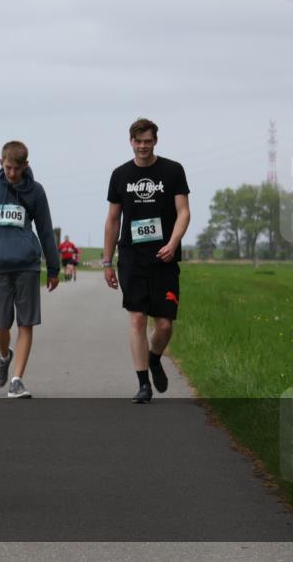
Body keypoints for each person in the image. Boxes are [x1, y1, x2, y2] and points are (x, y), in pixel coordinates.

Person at [102, 118, 190, 404]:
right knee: (138, 318)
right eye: (138, 141)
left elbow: (184, 212)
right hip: (132, 257)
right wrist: (107, 261)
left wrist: (173, 242)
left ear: (155, 141)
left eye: (148, 141)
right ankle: (143, 384)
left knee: (164, 325)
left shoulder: (173, 171)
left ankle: (154, 359)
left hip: (163, 257)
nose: (143, 146)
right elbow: (113, 220)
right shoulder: (120, 175)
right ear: (131, 142)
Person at [0, 141, 60, 399]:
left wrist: (53, 268)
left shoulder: (36, 192)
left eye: (17, 169)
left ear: (26, 166)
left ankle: (17, 380)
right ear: (1, 163)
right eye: (8, 168)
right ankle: (4, 355)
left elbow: (45, 230)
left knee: (26, 322)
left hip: (28, 266)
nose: (12, 173)